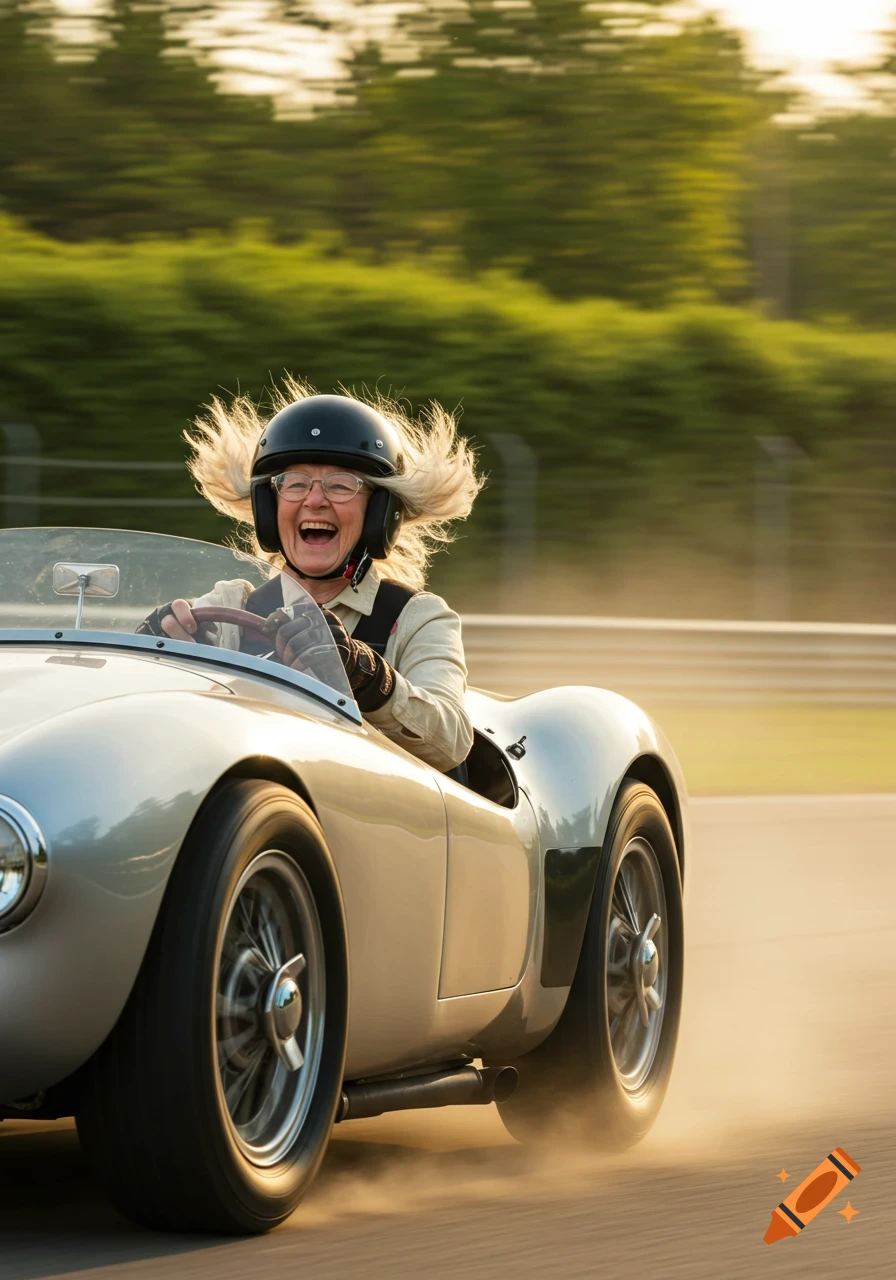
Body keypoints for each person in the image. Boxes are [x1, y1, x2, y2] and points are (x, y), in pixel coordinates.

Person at [139, 380, 484, 774]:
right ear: (270, 507)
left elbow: (452, 741)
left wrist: (367, 676)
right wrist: (155, 652)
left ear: (378, 513)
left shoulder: (417, 618)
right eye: (295, 483)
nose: (314, 500)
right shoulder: (230, 603)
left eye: (341, 485)